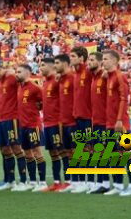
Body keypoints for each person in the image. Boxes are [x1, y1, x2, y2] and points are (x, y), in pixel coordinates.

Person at [0, 59, 29, 191]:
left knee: (16, 148)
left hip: (13, 118)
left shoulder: (11, 77)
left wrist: (13, 70)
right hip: (2, 120)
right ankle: (10, 180)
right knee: (5, 150)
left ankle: (24, 181)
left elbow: (25, 82)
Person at [103, 50, 131, 196]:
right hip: (110, 123)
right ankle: (117, 185)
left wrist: (119, 120)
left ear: (115, 61)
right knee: (113, 155)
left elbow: (124, 99)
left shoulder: (120, 76)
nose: (103, 61)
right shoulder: (109, 78)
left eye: (106, 59)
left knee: (127, 153)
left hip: (120, 124)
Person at [16, 64, 47, 191]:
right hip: (22, 125)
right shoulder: (19, 87)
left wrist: (39, 106)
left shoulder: (34, 88)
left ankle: (43, 182)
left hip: (33, 125)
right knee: (27, 153)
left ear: (27, 73)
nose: (16, 74)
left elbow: (44, 101)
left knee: (36, 152)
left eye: (19, 71)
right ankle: (33, 181)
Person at [40, 58, 66, 192]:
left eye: (43, 65)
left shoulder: (57, 81)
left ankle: (68, 181)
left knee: (62, 151)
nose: (40, 68)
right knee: (52, 153)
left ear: (51, 67)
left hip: (57, 122)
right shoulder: (45, 83)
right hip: (47, 123)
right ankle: (56, 182)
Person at [70, 46, 93, 193]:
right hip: (76, 117)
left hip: (88, 117)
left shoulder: (88, 72)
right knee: (78, 149)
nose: (70, 58)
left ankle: (90, 182)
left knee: (90, 149)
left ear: (81, 58)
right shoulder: (75, 74)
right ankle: (80, 181)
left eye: (73, 56)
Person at [88, 52, 111, 194]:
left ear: (99, 62)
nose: (88, 62)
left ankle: (107, 183)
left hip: (104, 121)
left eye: (91, 60)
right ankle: (102, 182)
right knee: (98, 152)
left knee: (105, 153)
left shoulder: (105, 75)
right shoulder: (94, 77)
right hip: (95, 121)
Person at [54, 54, 77, 193]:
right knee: (68, 152)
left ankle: (85, 181)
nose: (55, 66)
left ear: (65, 64)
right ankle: (72, 181)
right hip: (63, 122)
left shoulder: (73, 78)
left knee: (78, 152)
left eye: (57, 63)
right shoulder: (61, 80)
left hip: (74, 121)